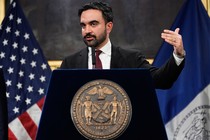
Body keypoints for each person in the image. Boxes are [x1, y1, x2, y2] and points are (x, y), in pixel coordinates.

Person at [60, 1, 186, 89]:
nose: (87, 30)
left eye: (93, 24)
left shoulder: (131, 59)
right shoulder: (70, 63)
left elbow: (161, 81)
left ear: (108, 26)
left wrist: (178, 55)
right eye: (83, 25)